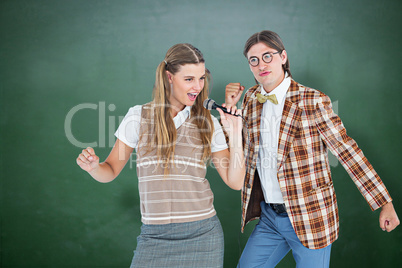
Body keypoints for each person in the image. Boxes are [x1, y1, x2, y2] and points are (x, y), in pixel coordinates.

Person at [224, 30, 399, 267]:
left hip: (311, 217)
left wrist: (384, 202)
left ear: (283, 57)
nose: (261, 65)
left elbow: (347, 151)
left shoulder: (312, 100)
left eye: (268, 56)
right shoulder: (251, 98)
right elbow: (242, 150)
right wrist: (231, 108)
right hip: (269, 217)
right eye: (253, 60)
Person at [76, 43, 245, 268]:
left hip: (204, 235)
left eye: (201, 78)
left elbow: (235, 182)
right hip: (154, 237)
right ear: (169, 77)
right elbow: (110, 170)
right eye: (189, 79)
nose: (197, 86)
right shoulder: (138, 117)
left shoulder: (209, 122)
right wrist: (94, 168)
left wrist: (235, 132)